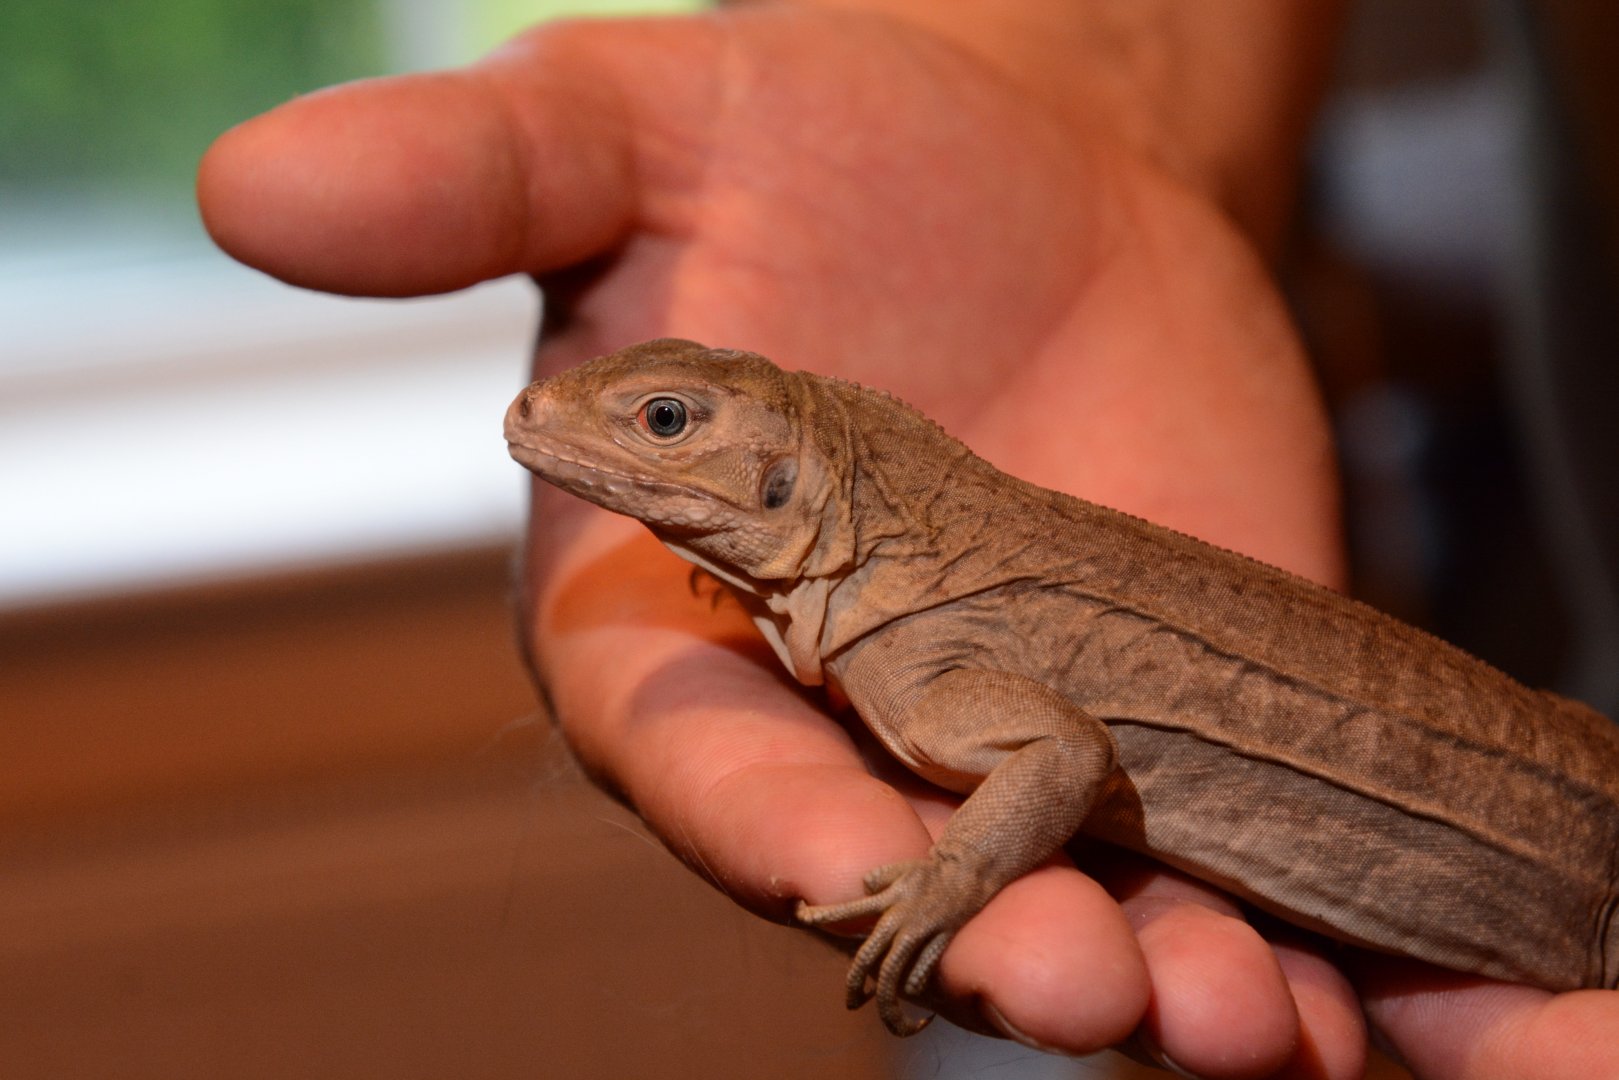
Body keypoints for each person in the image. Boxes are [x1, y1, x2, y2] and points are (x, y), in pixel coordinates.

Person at [197, 2, 1619, 1075]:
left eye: (671, 425)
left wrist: (950, 876)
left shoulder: (933, 664)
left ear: (785, 493)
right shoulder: (900, 615)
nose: (567, 426)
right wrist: (1078, 76)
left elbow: (1055, 756)